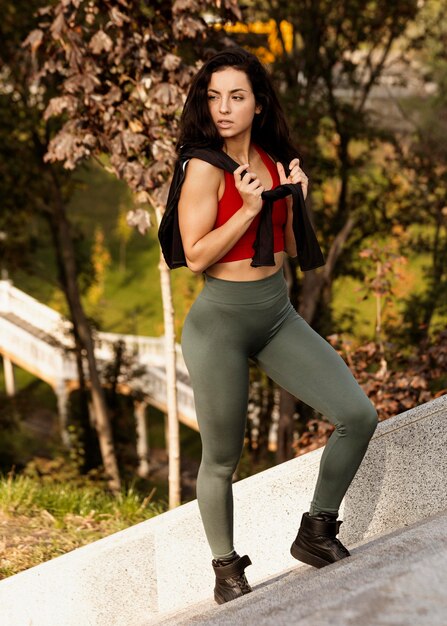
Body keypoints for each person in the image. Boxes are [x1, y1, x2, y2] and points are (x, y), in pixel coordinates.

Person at [163, 47, 378, 605]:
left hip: (276, 314)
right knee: (221, 458)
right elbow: (195, 256)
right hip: (219, 326)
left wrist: (295, 199)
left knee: (358, 415)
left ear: (258, 103)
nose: (224, 108)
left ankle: (316, 531)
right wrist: (247, 210)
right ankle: (226, 568)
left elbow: (281, 247)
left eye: (237, 96)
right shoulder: (203, 167)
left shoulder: (273, 160)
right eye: (214, 97)